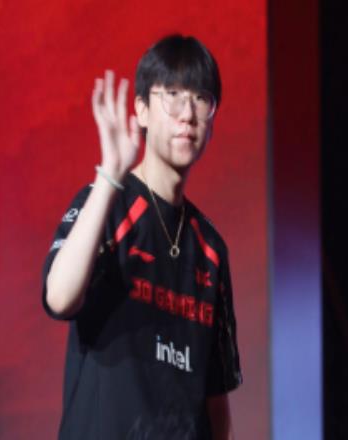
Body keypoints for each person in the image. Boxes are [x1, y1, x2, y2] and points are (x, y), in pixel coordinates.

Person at [42, 34, 242, 440]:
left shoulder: (211, 249)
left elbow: (215, 398)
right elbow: (59, 298)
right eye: (173, 95)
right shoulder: (107, 205)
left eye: (201, 98)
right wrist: (110, 175)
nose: (188, 113)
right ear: (142, 110)